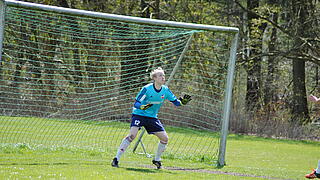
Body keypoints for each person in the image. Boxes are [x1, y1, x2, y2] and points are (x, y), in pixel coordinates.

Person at [111, 67, 192, 169]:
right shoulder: (147, 89)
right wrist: (142, 107)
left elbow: (176, 102)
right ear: (154, 78)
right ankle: (116, 159)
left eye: (163, 75)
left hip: (152, 117)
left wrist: (182, 103)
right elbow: (136, 103)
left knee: (164, 138)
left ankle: (157, 160)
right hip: (139, 115)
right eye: (160, 75)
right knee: (132, 135)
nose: (163, 77)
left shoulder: (165, 90)